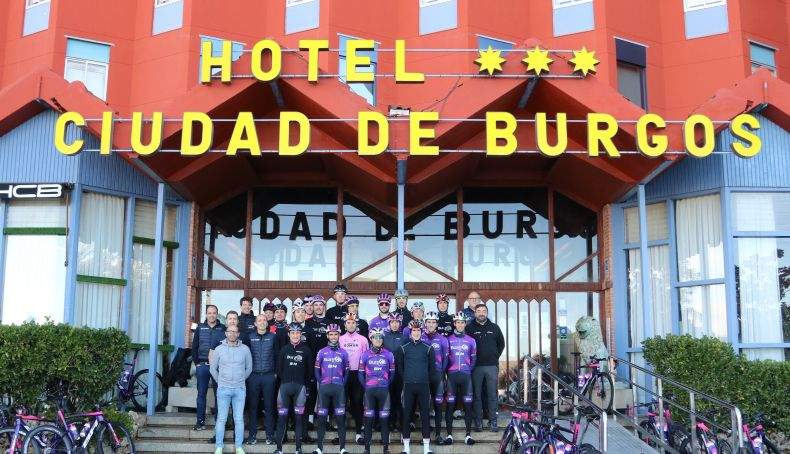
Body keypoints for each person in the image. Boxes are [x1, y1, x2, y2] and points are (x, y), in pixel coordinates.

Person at [209, 324, 252, 454]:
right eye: (230, 331)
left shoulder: (245, 349)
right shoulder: (219, 349)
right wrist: (220, 381)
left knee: (238, 419)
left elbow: (249, 368)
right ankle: (219, 447)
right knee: (221, 419)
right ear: (226, 333)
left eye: (235, 332)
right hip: (223, 389)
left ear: (238, 334)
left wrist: (240, 379)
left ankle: (239, 447)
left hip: (239, 389)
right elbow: (213, 368)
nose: (232, 334)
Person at [396, 320, 436, 454]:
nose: (416, 332)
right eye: (414, 330)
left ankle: (426, 448)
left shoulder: (428, 348)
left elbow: (432, 368)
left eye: (418, 330)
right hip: (408, 386)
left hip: (424, 386)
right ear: (410, 332)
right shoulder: (403, 348)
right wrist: (406, 378)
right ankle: (406, 448)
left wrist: (425, 379)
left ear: (422, 331)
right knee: (406, 416)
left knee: (425, 416)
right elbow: (400, 367)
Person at [274, 323, 314, 454]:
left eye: (297, 333)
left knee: (298, 419)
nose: (295, 335)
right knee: (282, 418)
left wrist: (306, 386)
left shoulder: (306, 350)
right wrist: (286, 379)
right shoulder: (284, 349)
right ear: (289, 334)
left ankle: (298, 448)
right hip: (284, 388)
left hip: (300, 388)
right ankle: (279, 449)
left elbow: (309, 372)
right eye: (293, 333)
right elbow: (279, 369)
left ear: (301, 335)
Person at [466, 303, 505, 432]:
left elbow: (501, 344)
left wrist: (494, 356)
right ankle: (478, 421)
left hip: (491, 366)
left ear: (487, 313)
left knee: (492, 395)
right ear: (475, 313)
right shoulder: (469, 328)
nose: (481, 313)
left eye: (484, 311)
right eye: (479, 311)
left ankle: (493, 420)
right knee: (476, 395)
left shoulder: (494, 327)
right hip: (476, 367)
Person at [313, 323, 350, 454]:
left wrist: (341, 384)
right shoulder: (322, 352)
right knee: (322, 419)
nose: (333, 337)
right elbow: (316, 371)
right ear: (327, 335)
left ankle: (342, 448)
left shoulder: (344, 353)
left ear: (339, 335)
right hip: (324, 389)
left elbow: (347, 372)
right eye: (331, 334)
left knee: (340, 419)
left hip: (338, 389)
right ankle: (319, 448)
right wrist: (322, 383)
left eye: (336, 334)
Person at [442, 312, 477, 446]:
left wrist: (467, 370)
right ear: (454, 324)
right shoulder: (448, 340)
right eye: (458, 322)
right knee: (450, 405)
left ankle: (468, 435)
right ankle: (449, 435)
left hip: (466, 376)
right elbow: (445, 359)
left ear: (465, 324)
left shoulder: (471, 340)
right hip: (452, 376)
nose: (460, 325)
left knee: (468, 406)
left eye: (462, 322)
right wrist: (447, 373)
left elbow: (474, 359)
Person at [358, 329, 395, 454]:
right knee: (368, 421)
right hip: (369, 391)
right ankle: (367, 449)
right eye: (375, 337)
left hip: (384, 391)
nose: (378, 340)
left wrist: (385, 384)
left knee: (384, 421)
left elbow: (392, 374)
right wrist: (367, 386)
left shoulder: (389, 354)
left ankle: (386, 448)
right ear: (371, 339)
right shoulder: (365, 355)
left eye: (380, 337)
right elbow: (360, 374)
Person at [244, 314, 278, 446]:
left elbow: (277, 355)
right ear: (255, 324)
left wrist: (275, 374)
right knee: (253, 406)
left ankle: (270, 436)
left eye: (264, 320)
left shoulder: (273, 337)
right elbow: (246, 356)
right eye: (259, 320)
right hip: (253, 376)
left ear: (267, 323)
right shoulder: (249, 337)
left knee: (269, 406)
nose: (262, 322)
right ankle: (252, 436)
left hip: (269, 376)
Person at [192, 305, 226, 431]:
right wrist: (197, 363)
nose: (212, 315)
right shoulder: (200, 328)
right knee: (201, 394)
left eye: (214, 313)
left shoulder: (223, 328)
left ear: (217, 314)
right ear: (206, 314)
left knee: (219, 395)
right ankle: (200, 422)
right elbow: (194, 346)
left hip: (218, 367)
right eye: (209, 313)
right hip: (203, 366)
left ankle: (219, 422)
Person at [339, 313, 369, 444]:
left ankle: (358, 433)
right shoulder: (340, 339)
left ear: (356, 324)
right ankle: (340, 434)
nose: (351, 325)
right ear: (345, 325)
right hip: (343, 374)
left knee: (357, 402)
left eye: (353, 323)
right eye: (348, 323)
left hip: (358, 374)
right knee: (342, 402)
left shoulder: (363, 339)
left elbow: (367, 357)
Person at [424, 312, 449, 444]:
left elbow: (446, 359)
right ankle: (426, 436)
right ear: (425, 323)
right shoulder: (420, 337)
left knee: (438, 406)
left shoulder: (442, 339)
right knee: (425, 406)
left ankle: (438, 434)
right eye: (429, 322)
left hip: (437, 375)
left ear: (437, 324)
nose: (431, 324)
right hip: (423, 376)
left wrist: (442, 374)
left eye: (433, 322)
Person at [382, 314, 405, 431]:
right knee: (389, 397)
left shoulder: (404, 337)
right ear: (389, 324)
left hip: (400, 372)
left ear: (400, 324)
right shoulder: (384, 337)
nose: (395, 324)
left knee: (399, 398)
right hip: (387, 373)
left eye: (397, 322)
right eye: (392, 322)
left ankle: (400, 422)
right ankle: (390, 422)